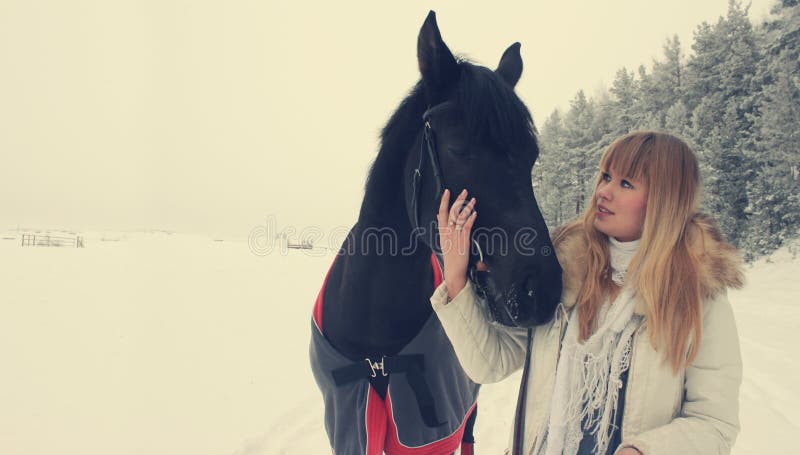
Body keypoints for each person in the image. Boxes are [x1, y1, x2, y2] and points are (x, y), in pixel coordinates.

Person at [431, 131, 744, 455]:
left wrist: (643, 451)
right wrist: (455, 277)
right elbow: (490, 362)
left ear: (665, 199)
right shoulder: (565, 272)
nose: (603, 191)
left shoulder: (697, 298)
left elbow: (714, 423)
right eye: (606, 176)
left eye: (625, 184)